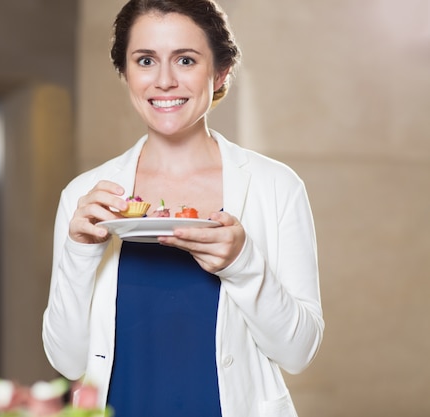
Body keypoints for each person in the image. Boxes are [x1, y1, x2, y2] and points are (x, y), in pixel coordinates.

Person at [43, 0, 324, 416]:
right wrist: (80, 251)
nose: (164, 81)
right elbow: (66, 361)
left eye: (186, 60)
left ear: (220, 72)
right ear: (125, 73)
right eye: (145, 60)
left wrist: (243, 264)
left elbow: (299, 353)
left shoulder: (276, 187)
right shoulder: (86, 195)